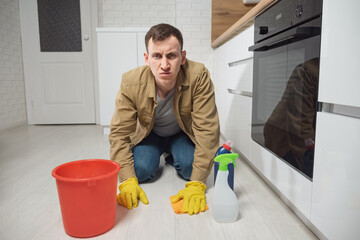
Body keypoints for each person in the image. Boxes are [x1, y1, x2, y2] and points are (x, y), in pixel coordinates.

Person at [109, 23, 220, 215]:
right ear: (146, 58)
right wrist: (126, 180)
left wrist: (197, 183)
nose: (165, 65)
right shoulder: (130, 82)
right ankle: (161, 151)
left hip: (181, 132)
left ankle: (171, 154)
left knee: (189, 169)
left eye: (171, 55)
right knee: (140, 171)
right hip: (150, 134)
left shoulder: (199, 76)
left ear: (182, 57)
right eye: (157, 56)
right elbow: (119, 133)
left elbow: (207, 130)